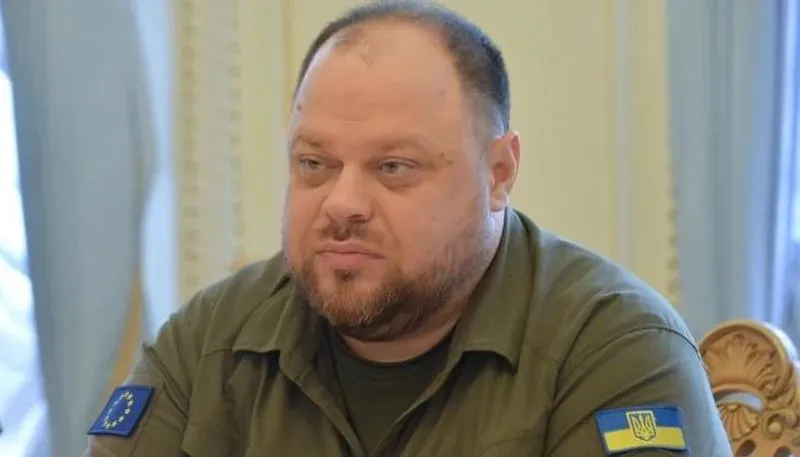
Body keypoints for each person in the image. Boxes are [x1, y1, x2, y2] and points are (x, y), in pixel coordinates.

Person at [83, 1, 731, 456]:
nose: (342, 203)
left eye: (393, 167)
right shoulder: (210, 341)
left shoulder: (615, 351)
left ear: (499, 173)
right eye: (314, 164)